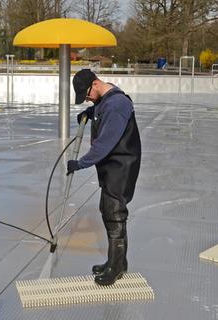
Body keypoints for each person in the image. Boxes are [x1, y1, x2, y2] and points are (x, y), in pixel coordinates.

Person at [68, 69, 141, 286]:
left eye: (87, 95)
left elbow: (104, 144)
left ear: (96, 84)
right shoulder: (106, 100)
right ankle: (117, 261)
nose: (87, 99)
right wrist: (91, 113)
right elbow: (101, 109)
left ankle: (116, 268)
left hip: (121, 166)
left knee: (114, 213)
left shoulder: (117, 104)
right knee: (108, 210)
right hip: (113, 166)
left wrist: (80, 163)